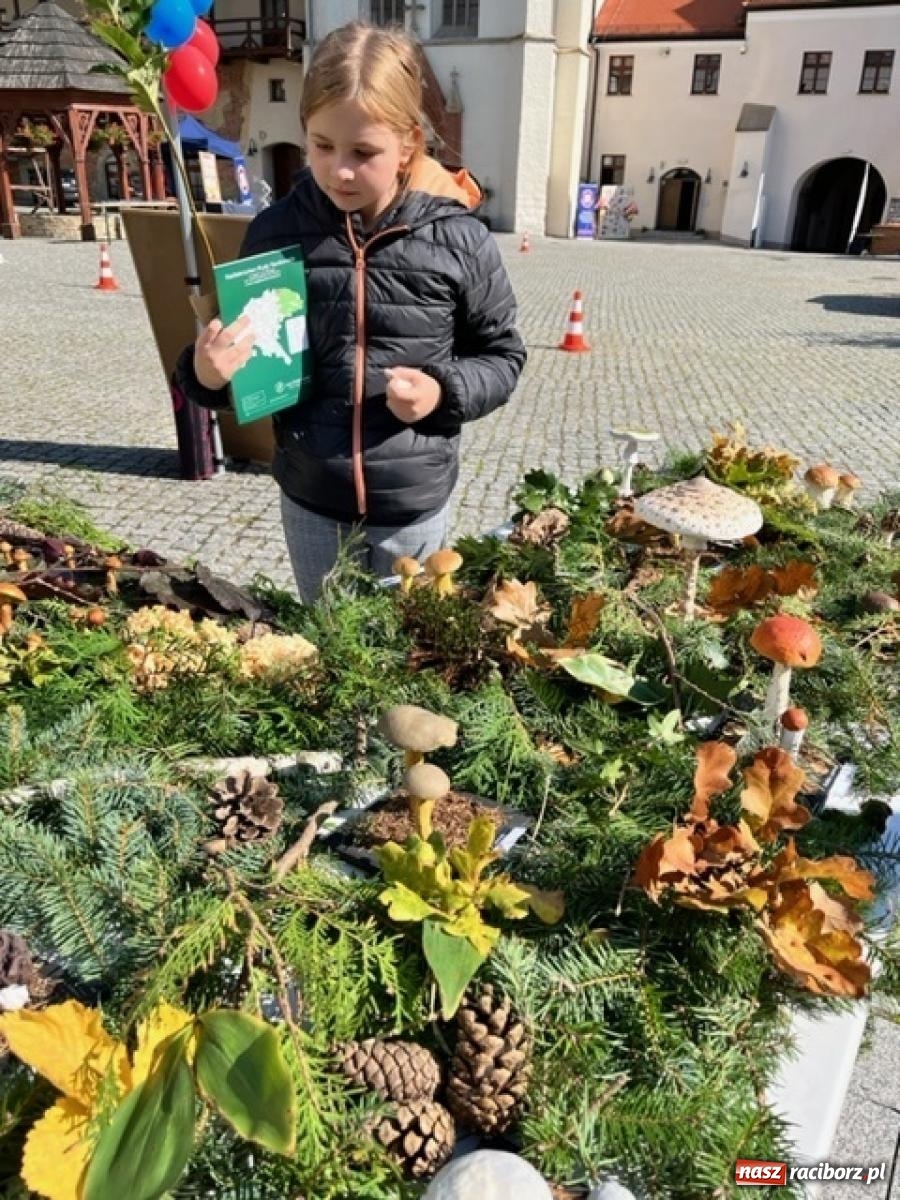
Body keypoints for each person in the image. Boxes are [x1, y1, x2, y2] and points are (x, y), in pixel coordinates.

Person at [174, 21, 526, 602]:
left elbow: (502, 355)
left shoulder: (459, 239)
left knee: (408, 642)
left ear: (408, 143)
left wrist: (442, 390)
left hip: (411, 504)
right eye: (322, 145)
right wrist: (208, 373)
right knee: (326, 641)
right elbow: (247, 366)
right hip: (312, 499)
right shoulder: (274, 232)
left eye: (364, 153)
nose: (340, 169)